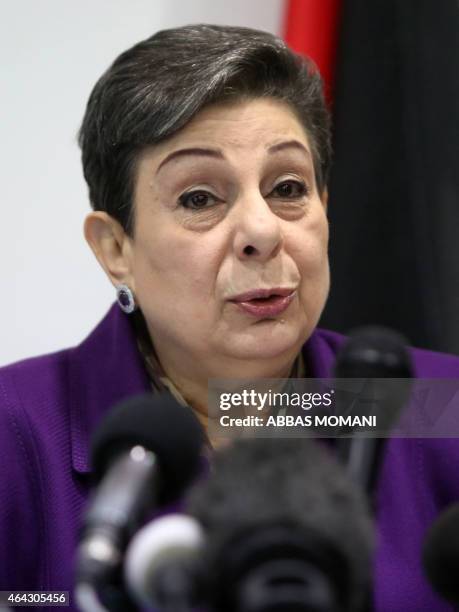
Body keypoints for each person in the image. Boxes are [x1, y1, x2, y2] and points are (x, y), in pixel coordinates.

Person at [0, 23, 458, 611]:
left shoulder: (436, 405)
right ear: (116, 249)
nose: (263, 232)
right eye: (199, 198)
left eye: (288, 187)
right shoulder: (16, 431)